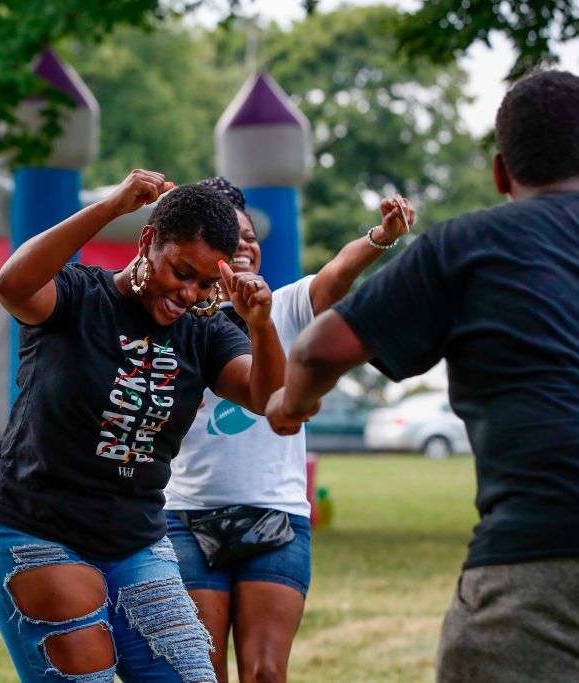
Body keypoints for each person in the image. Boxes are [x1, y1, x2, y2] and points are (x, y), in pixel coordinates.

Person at [266, 70, 579, 683]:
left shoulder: (470, 246)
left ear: (500, 173)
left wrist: (290, 406)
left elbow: (317, 349)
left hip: (545, 555)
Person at [0, 170, 288, 682]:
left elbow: (266, 396)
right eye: (181, 271)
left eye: (208, 283)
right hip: (36, 525)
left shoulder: (205, 330)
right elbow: (12, 285)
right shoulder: (79, 297)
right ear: (148, 241)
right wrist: (109, 207)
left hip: (134, 540)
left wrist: (260, 325)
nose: (189, 294)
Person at [164, 176, 413, 683]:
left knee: (264, 674)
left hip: (275, 515)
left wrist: (382, 236)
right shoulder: (174, 317)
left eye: (251, 237)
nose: (246, 246)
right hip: (186, 516)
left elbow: (339, 273)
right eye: (232, 239)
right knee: (198, 675)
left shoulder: (289, 306)